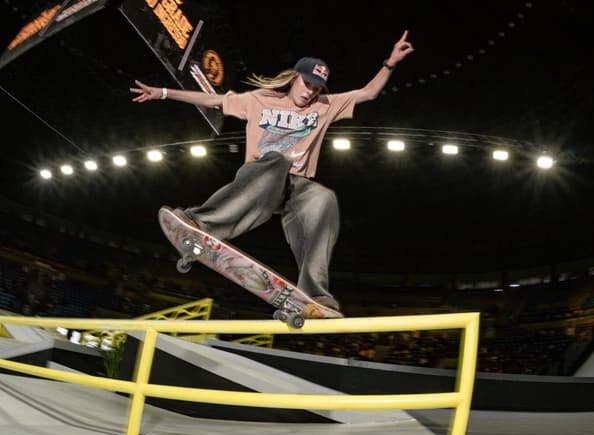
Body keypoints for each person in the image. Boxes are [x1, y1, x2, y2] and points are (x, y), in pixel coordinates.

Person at [131, 31, 415, 314]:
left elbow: (368, 93)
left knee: (324, 198)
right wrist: (163, 93)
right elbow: (213, 100)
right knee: (277, 160)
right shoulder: (259, 100)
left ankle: (313, 292)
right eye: (306, 84)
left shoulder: (325, 106)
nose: (310, 92)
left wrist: (390, 63)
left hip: (296, 187)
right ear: (294, 78)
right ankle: (200, 223)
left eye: (316, 88)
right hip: (261, 177)